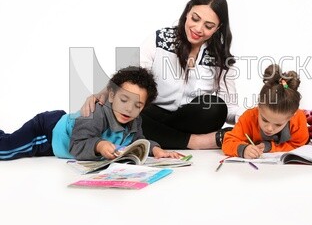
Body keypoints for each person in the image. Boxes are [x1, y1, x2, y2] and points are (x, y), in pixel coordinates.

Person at [81, 0, 242, 150]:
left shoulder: (221, 58)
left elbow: (229, 108)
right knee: (133, 109)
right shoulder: (159, 40)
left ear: (218, 27)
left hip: (187, 120)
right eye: (195, 18)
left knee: (216, 108)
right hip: (152, 113)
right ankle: (195, 142)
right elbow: (132, 77)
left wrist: (250, 119)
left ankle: (161, 137)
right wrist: (105, 92)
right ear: (188, 11)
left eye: (208, 26)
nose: (198, 29)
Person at [0, 66, 180, 161]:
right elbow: (77, 144)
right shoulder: (97, 114)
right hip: (47, 133)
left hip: (62, 134)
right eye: (123, 100)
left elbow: (138, 141)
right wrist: (99, 146)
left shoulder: (135, 121)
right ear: (111, 95)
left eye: (137, 105)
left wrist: (156, 150)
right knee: (6, 149)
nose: (128, 109)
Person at [222, 64, 309, 158]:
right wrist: (243, 149)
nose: (269, 128)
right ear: (258, 107)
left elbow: (299, 146)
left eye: (278, 124)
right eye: (265, 120)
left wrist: (270, 147)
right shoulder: (249, 117)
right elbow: (228, 142)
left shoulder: (298, 119)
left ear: (292, 115)